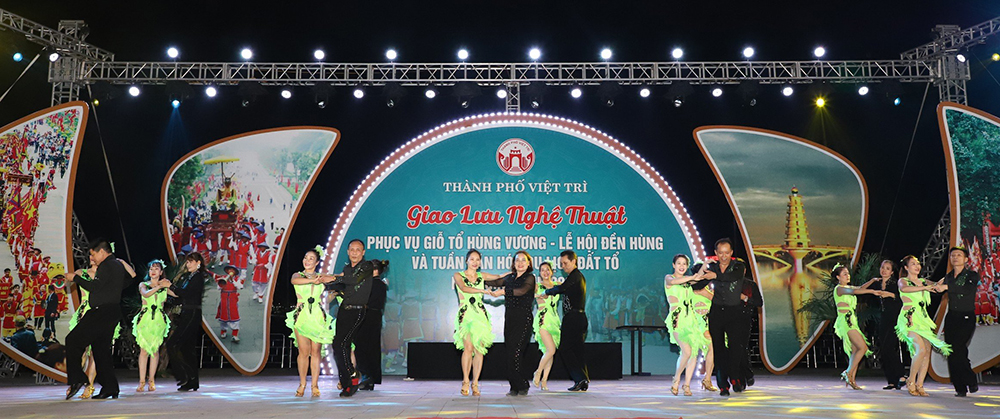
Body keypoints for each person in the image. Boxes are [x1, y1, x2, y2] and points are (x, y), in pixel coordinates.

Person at [64, 239, 129, 400]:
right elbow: (128, 281)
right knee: (101, 351)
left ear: (102, 252)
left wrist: (75, 278)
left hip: (101, 312)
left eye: (93, 254)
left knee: (72, 340)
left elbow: (94, 287)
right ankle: (110, 388)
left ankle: (78, 378)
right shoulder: (117, 266)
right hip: (112, 311)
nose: (92, 258)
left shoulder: (107, 265)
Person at [324, 239, 377, 397]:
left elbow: (355, 280)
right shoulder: (347, 269)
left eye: (358, 249)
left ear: (363, 252)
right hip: (344, 311)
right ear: (347, 252)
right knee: (338, 346)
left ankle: (352, 377)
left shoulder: (367, 267)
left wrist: (334, 278)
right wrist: (321, 280)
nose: (354, 252)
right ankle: (348, 382)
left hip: (357, 311)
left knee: (343, 343)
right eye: (352, 249)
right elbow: (343, 285)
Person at [699, 238, 749, 396]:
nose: (724, 256)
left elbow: (731, 278)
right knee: (718, 349)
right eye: (721, 253)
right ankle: (722, 384)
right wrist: (702, 270)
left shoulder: (738, 266)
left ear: (732, 253)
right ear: (716, 253)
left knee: (735, 348)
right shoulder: (712, 267)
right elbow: (698, 283)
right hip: (717, 313)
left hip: (734, 313)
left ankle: (734, 377)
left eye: (727, 253)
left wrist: (715, 275)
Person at [896, 255, 952, 397]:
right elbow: (905, 289)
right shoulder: (903, 281)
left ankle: (920, 385)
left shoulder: (922, 281)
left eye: (918, 263)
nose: (917, 266)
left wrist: (945, 279)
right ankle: (911, 380)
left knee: (927, 351)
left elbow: (935, 285)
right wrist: (925, 287)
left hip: (923, 319)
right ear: (906, 267)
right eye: (913, 264)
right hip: (909, 319)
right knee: (919, 350)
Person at [831, 265, 891, 389]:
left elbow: (859, 288)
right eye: (844, 274)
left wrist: (872, 281)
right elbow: (856, 291)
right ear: (838, 277)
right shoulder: (839, 289)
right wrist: (872, 291)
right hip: (846, 321)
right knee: (862, 348)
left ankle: (851, 379)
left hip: (852, 320)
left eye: (848, 273)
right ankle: (848, 372)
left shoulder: (847, 287)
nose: (848, 276)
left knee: (855, 350)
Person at [485, 250, 536, 396]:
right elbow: (494, 283)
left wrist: (502, 292)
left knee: (516, 352)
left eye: (523, 260)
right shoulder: (510, 277)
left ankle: (522, 383)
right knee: (509, 352)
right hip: (510, 319)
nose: (520, 263)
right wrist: (474, 277)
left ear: (528, 263)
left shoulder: (530, 278)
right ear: (513, 263)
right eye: (517, 260)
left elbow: (521, 291)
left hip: (523, 319)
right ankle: (514, 386)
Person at [286, 247, 335, 397]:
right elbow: (294, 281)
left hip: (317, 316)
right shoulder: (298, 275)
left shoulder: (321, 277)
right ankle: (302, 384)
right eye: (306, 258)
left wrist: (338, 280)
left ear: (317, 262)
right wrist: (312, 280)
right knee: (303, 352)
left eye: (311, 258)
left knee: (316, 352)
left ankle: (315, 385)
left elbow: (336, 278)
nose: (307, 261)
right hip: (302, 316)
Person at [934, 246, 980, 397]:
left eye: (959, 255)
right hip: (952, 317)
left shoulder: (971, 275)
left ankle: (971, 380)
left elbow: (966, 290)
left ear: (966, 259)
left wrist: (946, 287)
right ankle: (960, 387)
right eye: (953, 255)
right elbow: (937, 287)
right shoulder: (948, 276)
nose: (955, 258)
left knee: (959, 349)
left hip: (966, 317)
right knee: (951, 351)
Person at [541, 250, 590, 392]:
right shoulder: (576, 276)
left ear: (574, 261)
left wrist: (546, 292)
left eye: (565, 263)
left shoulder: (575, 276)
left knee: (565, 349)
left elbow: (562, 288)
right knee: (577, 350)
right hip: (578, 318)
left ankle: (580, 378)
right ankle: (583, 379)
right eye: (561, 264)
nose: (563, 266)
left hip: (574, 318)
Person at [452, 249, 496, 396]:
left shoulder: (482, 276)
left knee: (479, 350)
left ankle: (475, 382)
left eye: (478, 260)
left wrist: (516, 272)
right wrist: (483, 291)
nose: (475, 262)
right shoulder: (458, 275)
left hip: (480, 315)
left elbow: (499, 276)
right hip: (466, 315)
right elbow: (464, 288)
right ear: (467, 261)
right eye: (472, 259)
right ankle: (465, 380)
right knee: (468, 348)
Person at [664, 254, 706, 396]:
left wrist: (705, 266)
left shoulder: (688, 282)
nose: (681, 266)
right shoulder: (669, 279)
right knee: (686, 351)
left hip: (691, 320)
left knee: (693, 353)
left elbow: (698, 277)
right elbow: (680, 281)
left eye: (684, 264)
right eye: (679, 263)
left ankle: (686, 385)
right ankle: (676, 379)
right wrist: (693, 277)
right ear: (674, 264)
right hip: (677, 319)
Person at [167, 252, 209, 392]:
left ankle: (182, 376)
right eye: (187, 261)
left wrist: (171, 287)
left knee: (173, 344)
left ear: (198, 263)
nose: (188, 264)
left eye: (191, 261)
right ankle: (192, 381)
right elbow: (181, 296)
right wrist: (168, 292)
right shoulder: (188, 277)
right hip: (187, 312)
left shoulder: (198, 277)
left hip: (192, 313)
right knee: (187, 349)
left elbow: (186, 293)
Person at [132, 260, 172, 393]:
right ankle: (141, 381)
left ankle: (152, 380)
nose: (153, 271)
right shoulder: (143, 284)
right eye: (151, 269)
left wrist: (169, 285)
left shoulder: (164, 287)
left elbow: (178, 294)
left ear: (161, 272)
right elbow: (146, 294)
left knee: (155, 350)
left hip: (158, 321)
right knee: (144, 351)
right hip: (145, 319)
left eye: (156, 269)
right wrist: (159, 287)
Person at [868, 259, 906, 390]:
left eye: (887, 268)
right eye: (882, 267)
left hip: (894, 318)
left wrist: (889, 294)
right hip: (883, 318)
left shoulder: (895, 283)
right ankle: (892, 381)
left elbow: (902, 299)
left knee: (889, 348)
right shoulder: (878, 284)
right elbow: (862, 289)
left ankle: (901, 375)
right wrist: (873, 281)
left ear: (892, 271)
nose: (884, 270)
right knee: (883, 350)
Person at [357, 257, 388, 391]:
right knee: (371, 348)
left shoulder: (371, 284)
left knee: (362, 348)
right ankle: (369, 378)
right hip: (374, 317)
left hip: (366, 316)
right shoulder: (380, 284)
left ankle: (367, 376)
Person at [532, 261, 561, 392]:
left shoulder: (557, 285)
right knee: (551, 350)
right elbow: (528, 295)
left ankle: (544, 381)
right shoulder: (537, 286)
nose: (545, 272)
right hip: (543, 319)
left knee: (550, 353)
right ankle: (538, 372)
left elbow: (571, 286)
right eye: (542, 270)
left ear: (552, 271)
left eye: (547, 269)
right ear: (540, 273)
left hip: (554, 320)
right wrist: (539, 295)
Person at [216, 265, 243, 343]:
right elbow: (218, 288)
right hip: (224, 300)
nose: (231, 271)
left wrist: (232, 280)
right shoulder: (222, 278)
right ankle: (223, 331)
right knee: (223, 316)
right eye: (229, 270)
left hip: (232, 300)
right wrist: (223, 282)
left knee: (234, 316)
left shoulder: (237, 279)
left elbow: (240, 287)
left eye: (233, 270)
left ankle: (235, 335)